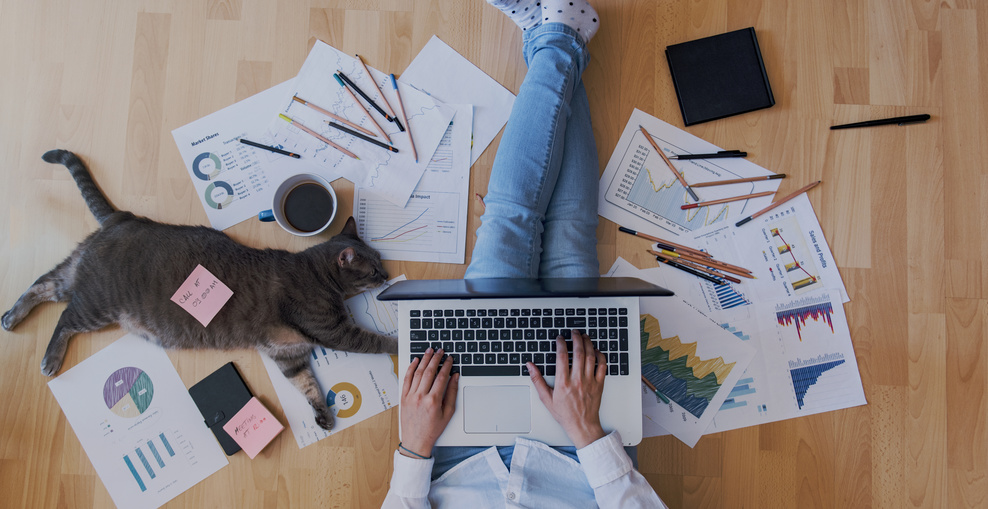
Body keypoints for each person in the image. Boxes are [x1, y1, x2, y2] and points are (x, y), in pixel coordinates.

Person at [382, 1, 666, 506]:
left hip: (453, 450)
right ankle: (557, 35)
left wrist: (412, 448)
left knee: (512, 226)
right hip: (579, 457)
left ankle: (557, 34)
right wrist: (587, 434)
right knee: (566, 236)